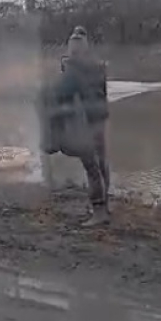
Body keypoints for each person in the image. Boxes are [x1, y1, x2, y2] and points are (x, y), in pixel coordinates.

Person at [47, 27, 111, 227]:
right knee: (101, 163)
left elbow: (60, 95)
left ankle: (99, 211)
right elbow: (102, 93)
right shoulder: (100, 67)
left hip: (83, 123)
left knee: (91, 167)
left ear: (72, 50)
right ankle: (105, 205)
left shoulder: (73, 71)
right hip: (98, 119)